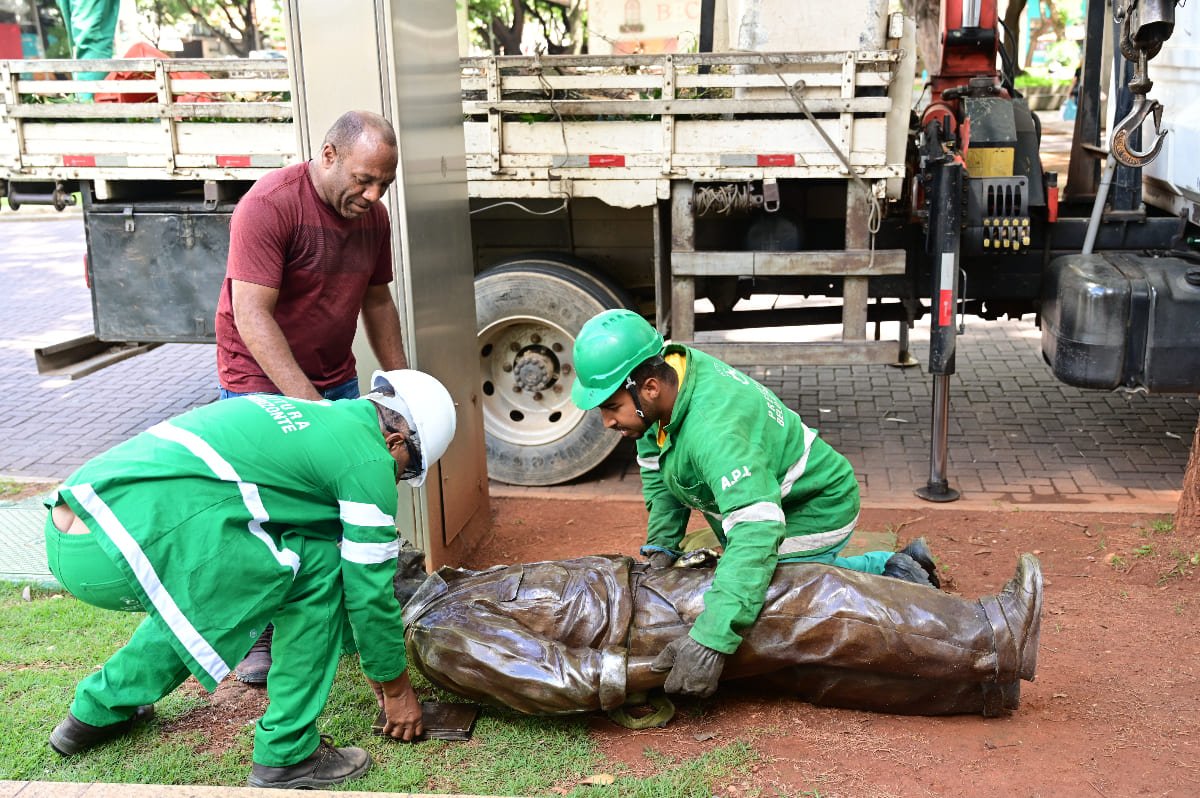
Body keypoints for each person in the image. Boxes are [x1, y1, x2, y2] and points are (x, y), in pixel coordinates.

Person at [43, 369, 456, 789]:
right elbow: (368, 595)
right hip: (121, 547)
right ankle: (288, 753)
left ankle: (96, 712)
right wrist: (396, 689)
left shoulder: (313, 416)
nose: (396, 481)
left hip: (73, 531)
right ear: (395, 442)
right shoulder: (369, 459)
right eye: (405, 471)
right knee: (317, 568)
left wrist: (369, 660)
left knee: (239, 573)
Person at [569, 309, 939, 698]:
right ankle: (892, 563)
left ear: (648, 388)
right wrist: (663, 546)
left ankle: (892, 570)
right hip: (766, 498)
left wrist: (712, 640)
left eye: (611, 407)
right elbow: (659, 474)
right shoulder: (665, 388)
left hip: (815, 506)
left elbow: (756, 532)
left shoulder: (714, 431)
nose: (606, 422)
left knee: (783, 592)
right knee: (742, 579)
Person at [214, 108, 408, 682]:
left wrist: (403, 388)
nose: (373, 196)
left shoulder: (372, 219)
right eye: (364, 180)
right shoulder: (269, 205)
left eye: (384, 184)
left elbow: (378, 302)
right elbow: (252, 315)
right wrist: (314, 411)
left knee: (332, 509)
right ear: (328, 156)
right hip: (257, 381)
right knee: (265, 514)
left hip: (334, 375)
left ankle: (329, 617)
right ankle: (259, 635)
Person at [399, 551, 1042, 719]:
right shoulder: (441, 629)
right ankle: (995, 636)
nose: (397, 547)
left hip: (648, 598)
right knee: (811, 598)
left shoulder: (449, 589)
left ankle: (976, 692)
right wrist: (667, 666)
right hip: (650, 627)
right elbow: (554, 678)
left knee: (797, 665)